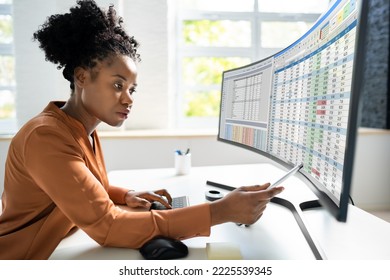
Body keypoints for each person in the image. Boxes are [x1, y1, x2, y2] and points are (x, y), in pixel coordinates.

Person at [0, 0, 284, 260]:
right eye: (117, 85)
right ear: (82, 77)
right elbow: (108, 226)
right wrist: (221, 211)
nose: (128, 98)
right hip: (24, 259)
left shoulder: (79, 128)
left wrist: (126, 195)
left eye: (132, 89)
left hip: (61, 244)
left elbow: (81, 186)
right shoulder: (46, 137)